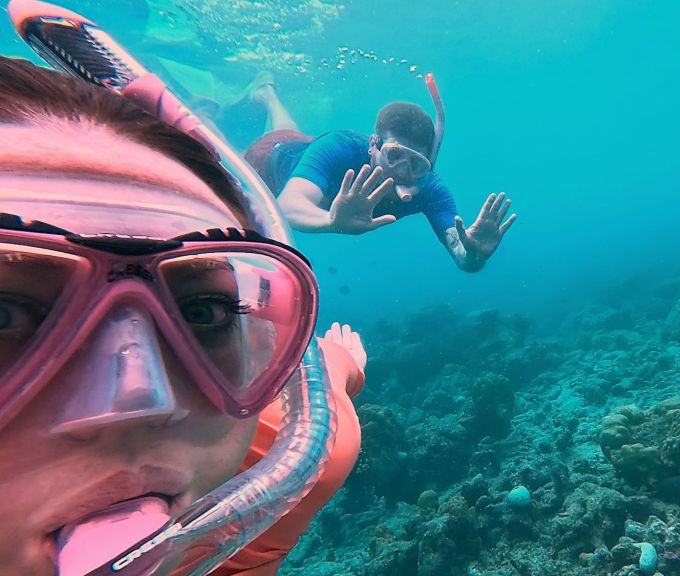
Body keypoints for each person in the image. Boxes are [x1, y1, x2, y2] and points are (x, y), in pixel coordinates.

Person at [0, 53, 363, 576]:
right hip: (276, 158)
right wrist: (327, 220)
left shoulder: (293, 455)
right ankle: (257, 98)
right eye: (4, 315)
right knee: (280, 136)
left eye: (205, 311)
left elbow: (327, 366)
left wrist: (351, 365)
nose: (141, 400)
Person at [242, 78, 518, 273]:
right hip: (266, 161)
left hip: (301, 149)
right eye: (395, 155)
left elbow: (462, 255)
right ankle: (265, 97)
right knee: (261, 147)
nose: (402, 171)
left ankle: (267, 93)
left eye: (416, 163)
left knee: (289, 128)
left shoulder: (430, 190)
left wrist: (473, 257)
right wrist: (331, 221)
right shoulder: (340, 147)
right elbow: (287, 206)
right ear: (373, 145)